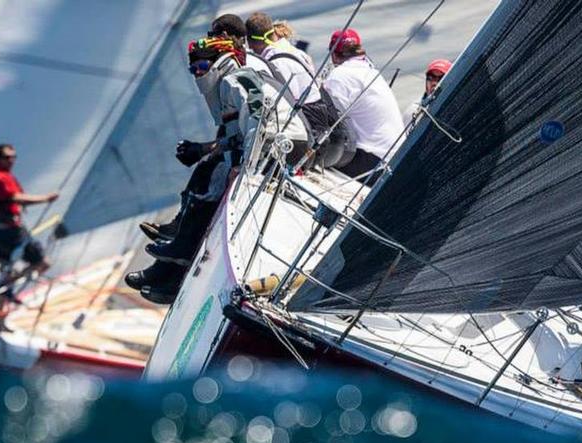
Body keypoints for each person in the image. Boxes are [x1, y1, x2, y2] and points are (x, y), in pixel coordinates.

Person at [125, 35, 308, 304]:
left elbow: (259, 117)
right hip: (272, 144)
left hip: (284, 145)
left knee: (214, 183)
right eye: (194, 70)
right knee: (207, 173)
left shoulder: (238, 78)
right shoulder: (227, 84)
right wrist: (204, 150)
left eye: (201, 68)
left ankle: (180, 251)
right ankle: (174, 264)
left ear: (217, 63)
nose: (198, 75)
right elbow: (237, 135)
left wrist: (242, 167)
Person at [245, 12, 354, 168]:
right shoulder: (296, 53)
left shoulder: (273, 63)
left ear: (250, 43)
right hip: (331, 141)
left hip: (312, 144)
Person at [323, 29, 404, 186]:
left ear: (333, 54)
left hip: (370, 163)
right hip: (392, 163)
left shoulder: (341, 75)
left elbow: (328, 121)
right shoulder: (371, 72)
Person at [0, 143, 58, 286]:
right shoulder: (0, 178)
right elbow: (16, 198)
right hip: (10, 233)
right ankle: (6, 285)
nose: (11, 160)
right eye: (7, 157)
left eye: (13, 157)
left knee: (8, 268)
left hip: (0, 233)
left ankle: (4, 294)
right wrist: (46, 198)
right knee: (43, 262)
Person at [403, 58, 451, 125]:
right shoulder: (412, 111)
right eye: (431, 78)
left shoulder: (455, 108)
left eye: (441, 79)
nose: (434, 83)